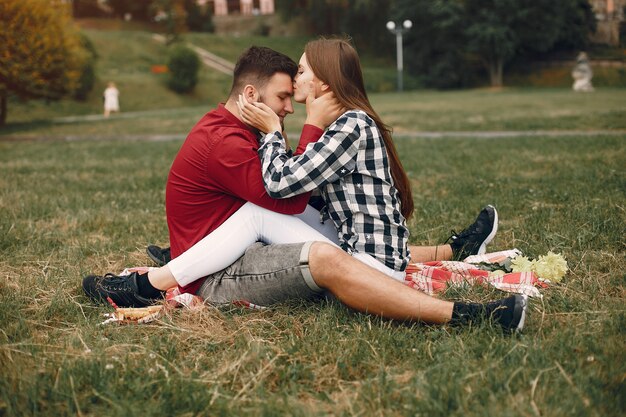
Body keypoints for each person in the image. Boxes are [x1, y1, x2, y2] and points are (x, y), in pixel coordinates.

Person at [83, 44, 526, 332]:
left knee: (288, 218)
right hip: (221, 265)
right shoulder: (226, 140)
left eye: (301, 75)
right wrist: (293, 127)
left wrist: (289, 128)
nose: (291, 99)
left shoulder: (334, 127)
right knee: (278, 218)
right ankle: (155, 280)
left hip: (291, 249)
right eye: (282, 97)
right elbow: (289, 193)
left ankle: (153, 279)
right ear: (252, 97)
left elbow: (292, 190)